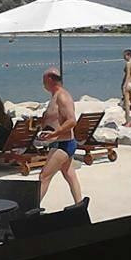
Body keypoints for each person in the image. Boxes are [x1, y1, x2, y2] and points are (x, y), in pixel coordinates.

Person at [37, 68, 83, 204]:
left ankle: (31, 208)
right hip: (59, 143)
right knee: (69, 174)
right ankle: (79, 205)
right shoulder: (55, 96)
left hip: (63, 144)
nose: (42, 83)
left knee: (44, 176)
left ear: (49, 79)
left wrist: (55, 133)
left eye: (43, 80)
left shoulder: (62, 96)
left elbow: (72, 121)